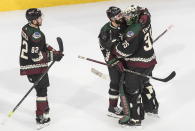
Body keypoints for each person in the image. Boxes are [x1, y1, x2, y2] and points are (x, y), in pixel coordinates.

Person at [110, 5, 159, 126]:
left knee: (131, 90)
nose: (125, 18)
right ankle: (151, 108)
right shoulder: (145, 19)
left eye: (128, 16)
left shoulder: (132, 32)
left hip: (137, 65)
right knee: (145, 83)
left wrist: (114, 49)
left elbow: (124, 51)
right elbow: (146, 11)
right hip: (150, 61)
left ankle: (135, 119)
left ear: (134, 17)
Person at [19, 8, 63, 128]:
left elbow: (41, 45)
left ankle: (45, 108)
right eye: (39, 18)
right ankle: (40, 116)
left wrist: (54, 51)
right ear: (33, 20)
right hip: (34, 66)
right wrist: (53, 56)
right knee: (41, 90)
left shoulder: (26, 28)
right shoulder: (36, 34)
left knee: (42, 88)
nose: (41, 19)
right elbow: (35, 55)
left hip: (29, 64)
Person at [98, 6, 127, 118]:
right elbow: (104, 50)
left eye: (121, 14)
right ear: (112, 18)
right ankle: (112, 108)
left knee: (126, 82)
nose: (121, 16)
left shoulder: (123, 24)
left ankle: (124, 103)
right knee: (115, 83)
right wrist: (114, 62)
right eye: (118, 15)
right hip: (114, 61)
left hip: (125, 58)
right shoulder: (106, 31)